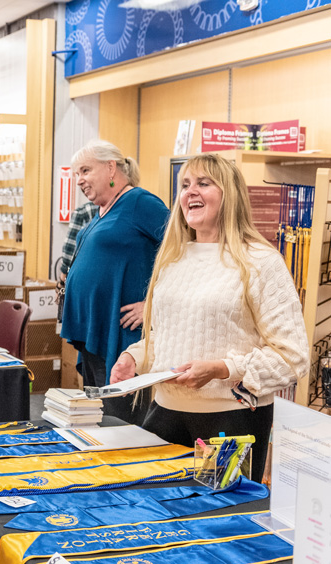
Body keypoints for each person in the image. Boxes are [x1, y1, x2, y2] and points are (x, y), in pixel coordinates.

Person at [110, 153, 309, 482]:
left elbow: (293, 357)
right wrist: (135, 357)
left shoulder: (260, 261)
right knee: (156, 518)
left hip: (230, 424)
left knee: (217, 523)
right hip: (164, 413)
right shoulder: (174, 258)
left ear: (229, 195)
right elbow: (169, 335)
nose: (191, 192)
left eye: (204, 183)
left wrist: (223, 369)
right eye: (185, 185)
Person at [60, 139, 170, 423]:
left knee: (119, 417)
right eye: (76, 174)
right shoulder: (101, 210)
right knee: (99, 415)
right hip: (93, 331)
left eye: (85, 171)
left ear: (111, 168)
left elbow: (183, 250)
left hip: (120, 333)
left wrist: (152, 303)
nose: (79, 180)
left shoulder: (140, 203)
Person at [57, 201, 98, 282]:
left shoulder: (83, 211)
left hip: (85, 277)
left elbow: (69, 250)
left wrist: (61, 282)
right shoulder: (122, 209)